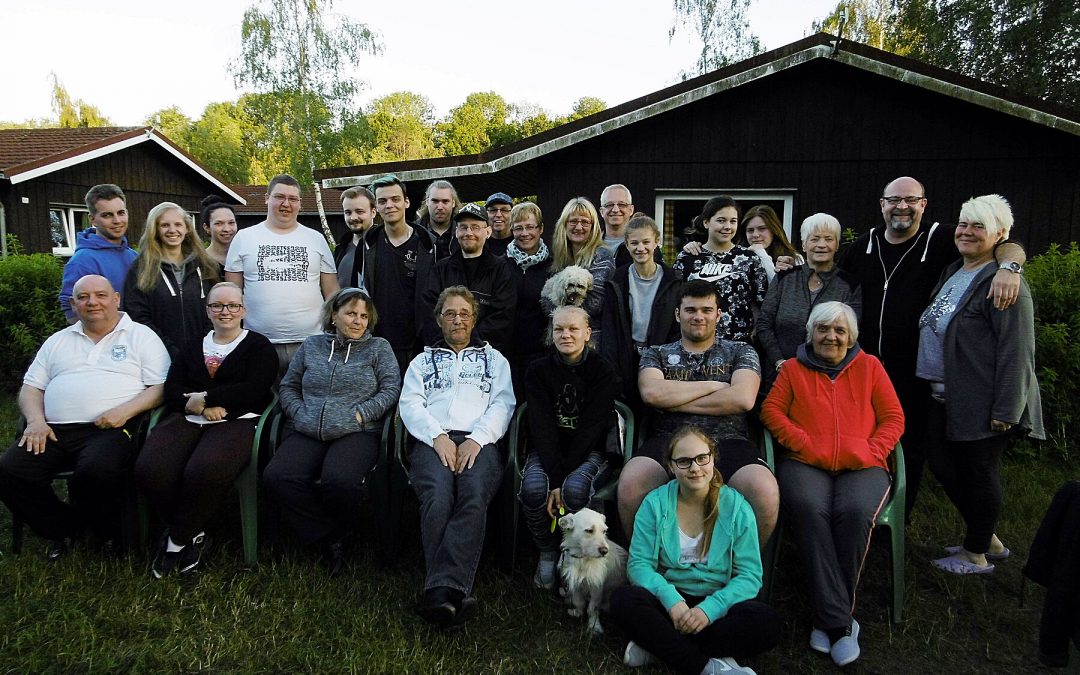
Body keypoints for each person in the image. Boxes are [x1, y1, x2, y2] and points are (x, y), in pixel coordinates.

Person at [837, 175, 1026, 515]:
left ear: (924, 204)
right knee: (867, 442)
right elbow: (832, 283)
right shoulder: (861, 247)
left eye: (911, 200)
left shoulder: (943, 239)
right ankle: (865, 511)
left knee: (913, 449)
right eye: (894, 200)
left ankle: (902, 519)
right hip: (865, 369)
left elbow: (1002, 242)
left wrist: (1011, 267)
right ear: (882, 204)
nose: (902, 207)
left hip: (916, 377)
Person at [761, 301, 904, 666]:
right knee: (810, 510)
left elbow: (893, 418)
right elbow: (771, 411)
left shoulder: (870, 367)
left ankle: (829, 618)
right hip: (806, 463)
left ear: (851, 337)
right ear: (811, 332)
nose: (831, 336)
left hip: (863, 466)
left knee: (855, 512)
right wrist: (804, 443)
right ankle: (841, 623)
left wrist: (872, 450)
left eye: (840, 331)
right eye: (823, 329)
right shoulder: (793, 369)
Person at [916, 194, 1044, 574]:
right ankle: (985, 535)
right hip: (943, 396)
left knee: (977, 471)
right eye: (964, 224)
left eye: (978, 226)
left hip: (982, 399)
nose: (967, 232)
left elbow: (1017, 350)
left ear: (1000, 235)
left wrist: (1007, 408)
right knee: (942, 463)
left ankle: (976, 555)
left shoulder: (1005, 283)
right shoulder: (956, 269)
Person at [0, 275, 169, 558]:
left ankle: (107, 534)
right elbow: (31, 387)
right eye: (83, 297)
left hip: (112, 428)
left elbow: (161, 387)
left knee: (95, 472)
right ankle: (63, 528)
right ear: (73, 304)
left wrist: (124, 411)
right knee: (10, 472)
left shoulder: (141, 335)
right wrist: (36, 420)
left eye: (101, 295)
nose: (93, 302)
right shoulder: (58, 341)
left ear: (116, 299)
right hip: (52, 430)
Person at [617, 281, 779, 548]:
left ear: (718, 314)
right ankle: (645, 570)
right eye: (691, 309)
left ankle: (742, 573)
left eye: (706, 310)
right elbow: (653, 395)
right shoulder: (655, 353)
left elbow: (742, 399)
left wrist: (675, 400)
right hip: (668, 440)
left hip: (727, 440)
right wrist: (714, 387)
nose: (699, 316)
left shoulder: (741, 350)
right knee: (632, 483)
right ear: (678, 314)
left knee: (764, 491)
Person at [610, 427, 782, 675]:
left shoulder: (736, 508)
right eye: (684, 461)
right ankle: (707, 666)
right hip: (669, 602)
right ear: (671, 466)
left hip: (718, 603)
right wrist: (673, 602)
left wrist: (708, 610)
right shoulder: (655, 504)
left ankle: (659, 645)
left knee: (769, 624)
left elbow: (750, 575)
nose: (695, 468)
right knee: (623, 601)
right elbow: (639, 565)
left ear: (713, 458)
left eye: (703, 458)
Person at [134, 282, 277, 578]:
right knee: (151, 468)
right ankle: (193, 532)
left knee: (204, 469)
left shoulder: (259, 346)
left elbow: (255, 389)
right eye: (218, 306)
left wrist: (208, 398)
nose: (225, 311)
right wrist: (198, 406)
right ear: (208, 311)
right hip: (188, 418)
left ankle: (174, 544)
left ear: (244, 311)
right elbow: (173, 387)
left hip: (237, 420)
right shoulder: (193, 344)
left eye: (233, 306)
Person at [400, 286, 515, 629]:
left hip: (480, 443)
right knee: (436, 495)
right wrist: (437, 437)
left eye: (464, 313)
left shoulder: (495, 360)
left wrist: (477, 440)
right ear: (439, 320)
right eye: (449, 313)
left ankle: (437, 593)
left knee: (473, 495)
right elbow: (410, 403)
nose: (457, 320)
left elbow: (503, 404)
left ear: (474, 319)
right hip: (432, 440)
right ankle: (451, 592)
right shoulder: (422, 361)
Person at [263, 288, 400, 576]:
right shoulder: (312, 346)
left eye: (364, 316)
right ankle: (329, 537)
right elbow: (288, 385)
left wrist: (361, 413)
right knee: (277, 476)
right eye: (351, 313)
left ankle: (339, 531)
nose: (358, 321)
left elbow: (391, 389)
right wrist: (299, 412)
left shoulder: (379, 349)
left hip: (357, 430)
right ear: (333, 316)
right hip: (309, 427)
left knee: (339, 481)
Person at [520, 306, 620, 589]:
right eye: (559, 329)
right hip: (548, 449)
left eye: (573, 329)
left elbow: (590, 429)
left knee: (574, 489)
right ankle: (548, 552)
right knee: (533, 489)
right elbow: (541, 426)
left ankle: (579, 558)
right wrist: (553, 476)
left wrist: (561, 478)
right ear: (551, 335)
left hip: (590, 450)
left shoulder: (602, 370)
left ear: (587, 334)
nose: (566, 335)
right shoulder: (538, 370)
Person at [224, 174, 339, 376]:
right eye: (280, 197)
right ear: (267, 198)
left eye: (293, 199)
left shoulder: (316, 239)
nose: (286, 204)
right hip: (258, 343)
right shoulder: (244, 238)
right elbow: (232, 294)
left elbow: (332, 292)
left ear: (300, 204)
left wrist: (333, 332)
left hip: (310, 342)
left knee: (306, 403)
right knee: (261, 404)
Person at [757, 213, 861, 385]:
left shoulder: (849, 285)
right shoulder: (784, 278)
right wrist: (778, 361)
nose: (822, 245)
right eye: (814, 239)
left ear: (836, 245)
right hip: (779, 374)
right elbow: (764, 324)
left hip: (826, 378)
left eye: (829, 239)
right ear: (804, 245)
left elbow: (851, 333)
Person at [601, 214, 681, 415]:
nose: (640, 248)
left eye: (646, 242)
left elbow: (677, 327)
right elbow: (610, 329)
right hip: (626, 355)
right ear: (626, 245)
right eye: (634, 243)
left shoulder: (674, 281)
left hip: (660, 357)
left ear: (657, 242)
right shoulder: (616, 279)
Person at [122, 202, 219, 359]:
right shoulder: (140, 268)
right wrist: (168, 350)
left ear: (187, 228)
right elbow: (138, 316)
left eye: (178, 224)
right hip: (158, 356)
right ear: (155, 230)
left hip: (204, 354)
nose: (172, 230)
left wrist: (204, 344)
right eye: (165, 225)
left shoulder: (205, 265)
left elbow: (217, 306)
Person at [421, 203, 515, 356]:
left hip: (487, 353)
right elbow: (429, 313)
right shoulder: (440, 269)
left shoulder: (501, 269)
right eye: (463, 227)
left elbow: (503, 316)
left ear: (488, 232)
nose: (468, 232)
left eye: (475, 227)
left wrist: (470, 344)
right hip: (445, 353)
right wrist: (450, 344)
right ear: (456, 232)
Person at [367, 174, 437, 377]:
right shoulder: (369, 244)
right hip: (379, 341)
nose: (389, 205)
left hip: (419, 342)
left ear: (406, 202)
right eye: (382, 201)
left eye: (395, 199)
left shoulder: (428, 244)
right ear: (376, 207)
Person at [673, 196, 768, 344]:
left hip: (738, 344)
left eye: (733, 221)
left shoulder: (749, 258)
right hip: (695, 342)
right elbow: (675, 300)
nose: (728, 226)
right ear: (706, 222)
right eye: (721, 220)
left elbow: (764, 302)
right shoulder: (688, 257)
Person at [58, 184, 138, 323]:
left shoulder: (134, 256)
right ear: (92, 219)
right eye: (107, 215)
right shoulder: (82, 261)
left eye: (121, 213)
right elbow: (72, 312)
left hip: (138, 338)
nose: (117, 221)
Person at [504, 201, 554, 398]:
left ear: (541, 228)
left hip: (541, 353)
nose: (525, 233)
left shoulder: (553, 266)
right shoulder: (500, 264)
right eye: (518, 228)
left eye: (530, 227)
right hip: (507, 352)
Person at [549, 197, 616, 345]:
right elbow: (546, 302)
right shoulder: (559, 258)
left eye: (585, 222)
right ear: (564, 225)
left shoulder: (602, 256)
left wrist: (561, 306)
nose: (578, 227)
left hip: (591, 341)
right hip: (563, 340)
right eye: (573, 221)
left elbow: (595, 304)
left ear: (593, 227)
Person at [601, 184, 664, 268]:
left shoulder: (645, 246)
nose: (615, 210)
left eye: (621, 204)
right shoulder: (591, 243)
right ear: (601, 211)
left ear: (631, 210)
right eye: (609, 205)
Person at [736, 205, 802, 281]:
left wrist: (763, 255)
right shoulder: (738, 259)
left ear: (773, 230)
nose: (755, 235)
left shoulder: (793, 258)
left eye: (762, 229)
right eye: (750, 230)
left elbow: (777, 288)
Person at [334, 186, 376, 290]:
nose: (353, 217)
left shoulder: (384, 246)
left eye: (359, 211)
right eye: (348, 212)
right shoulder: (340, 249)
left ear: (373, 212)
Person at [417, 179, 460, 261]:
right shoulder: (414, 232)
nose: (440, 207)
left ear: (453, 203)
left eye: (445, 201)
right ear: (427, 202)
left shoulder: (464, 232)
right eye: (435, 201)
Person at [199, 195, 238, 274]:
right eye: (219, 223)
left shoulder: (246, 258)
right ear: (207, 227)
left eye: (231, 223)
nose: (227, 229)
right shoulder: (200, 263)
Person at [485, 192, 514, 257]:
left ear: (512, 214)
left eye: (504, 210)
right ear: (486, 214)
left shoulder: (521, 241)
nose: (498, 215)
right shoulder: (480, 242)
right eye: (493, 210)